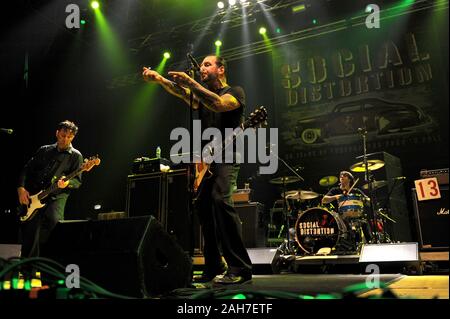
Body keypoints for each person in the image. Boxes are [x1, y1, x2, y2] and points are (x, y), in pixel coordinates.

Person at [142, 55, 252, 284]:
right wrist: (160, 79)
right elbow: (182, 93)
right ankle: (213, 264)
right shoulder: (200, 96)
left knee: (221, 200)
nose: (201, 68)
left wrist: (192, 83)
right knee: (201, 206)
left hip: (228, 155)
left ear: (221, 69)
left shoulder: (235, 91)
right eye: (201, 65)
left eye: (207, 64)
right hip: (206, 158)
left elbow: (219, 105)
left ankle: (240, 267)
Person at [17, 120, 83, 258]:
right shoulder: (44, 150)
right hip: (36, 195)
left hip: (57, 197)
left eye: (69, 137)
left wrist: (67, 183)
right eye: (63, 135)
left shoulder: (76, 156)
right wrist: (21, 188)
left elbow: (77, 182)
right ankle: (28, 270)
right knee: (30, 231)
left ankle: (50, 265)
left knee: (54, 223)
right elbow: (27, 169)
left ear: (73, 137)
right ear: (57, 133)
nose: (65, 139)